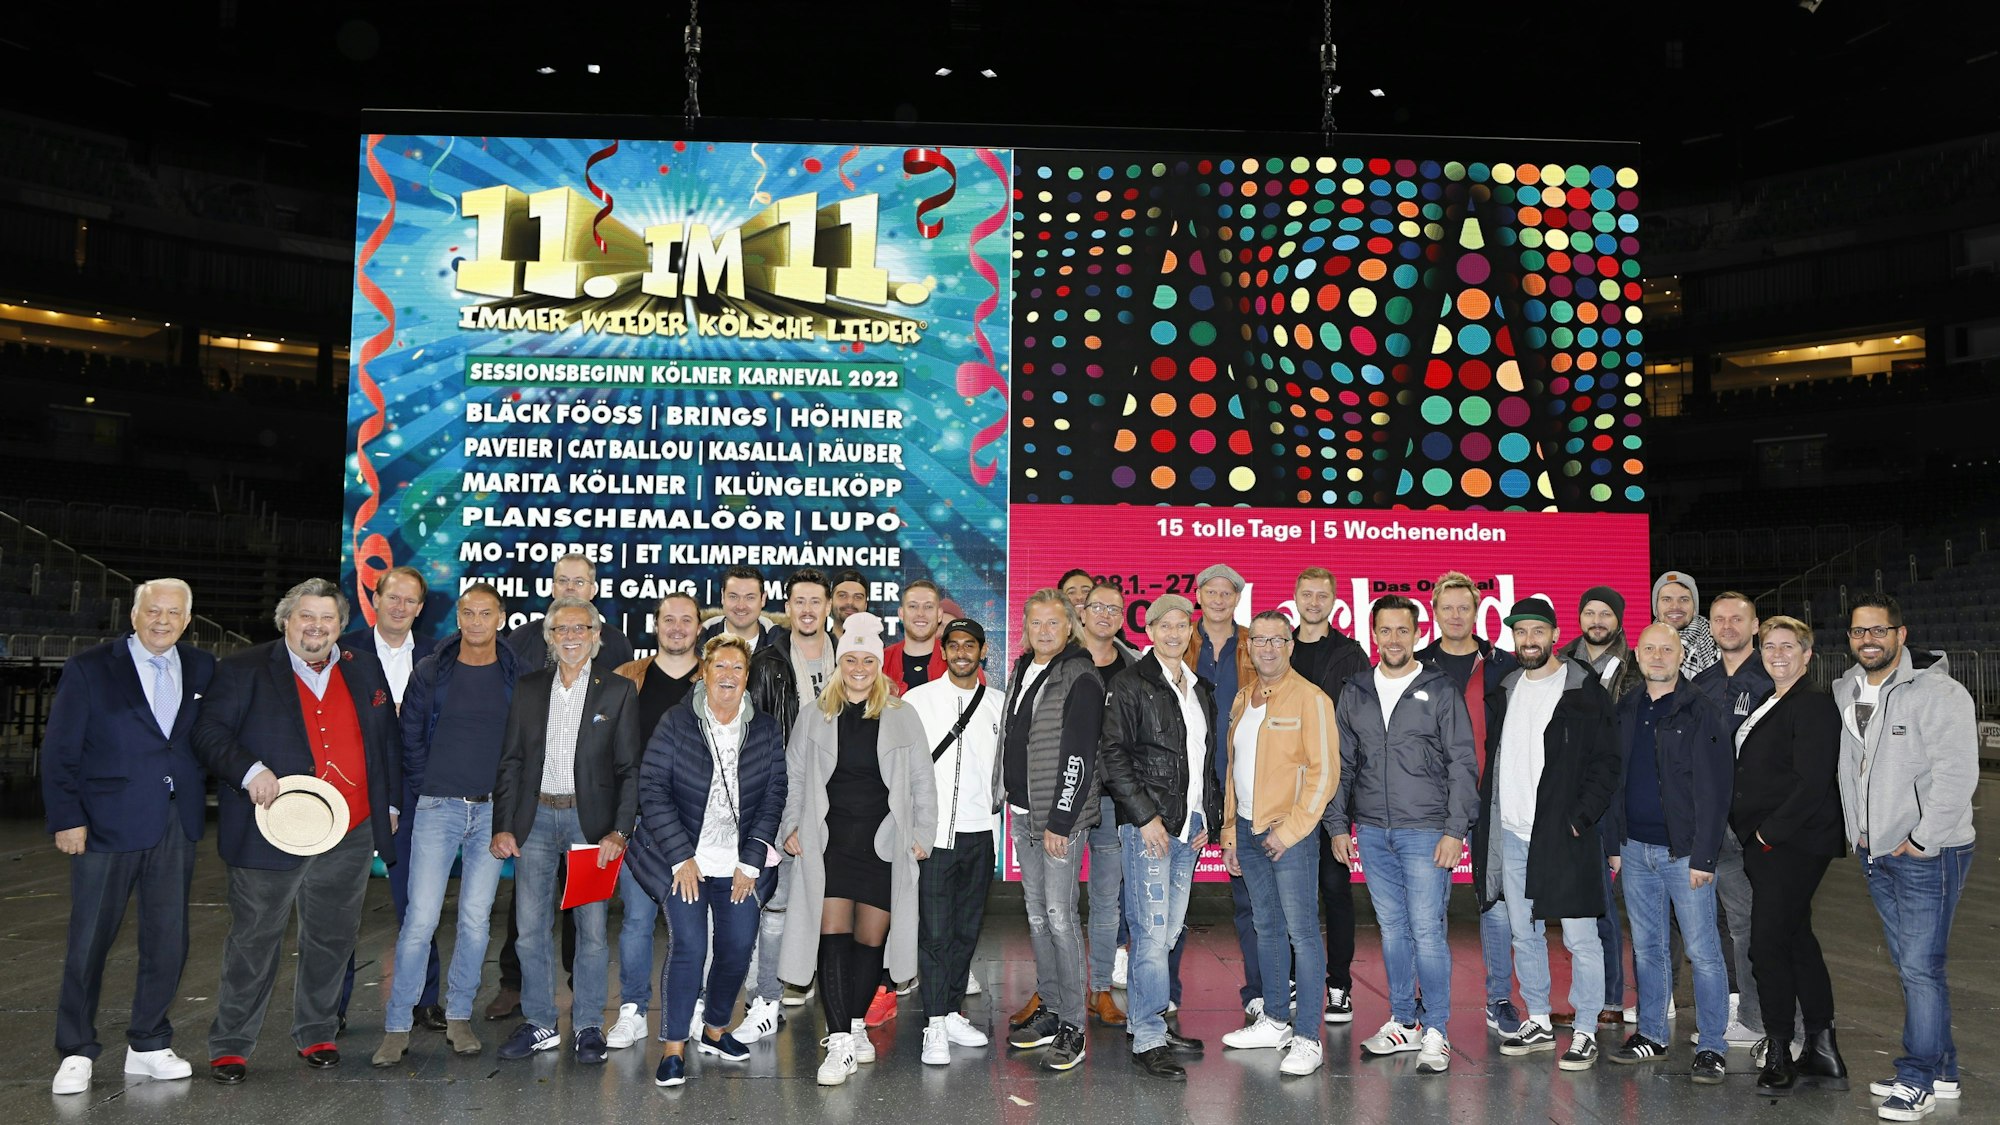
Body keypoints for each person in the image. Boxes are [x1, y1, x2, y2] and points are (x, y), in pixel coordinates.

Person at [194, 578, 402, 1083]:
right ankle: (231, 1045)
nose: (317, 627)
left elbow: (385, 739)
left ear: (341, 624)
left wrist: (388, 803)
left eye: (327, 618)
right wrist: (249, 771)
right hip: (272, 829)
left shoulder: (362, 667)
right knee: (254, 940)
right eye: (306, 616)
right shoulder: (242, 668)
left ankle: (317, 1032)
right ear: (287, 619)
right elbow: (207, 733)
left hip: (348, 830)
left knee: (332, 938)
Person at [44, 579, 213, 1095]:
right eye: (153, 610)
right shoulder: (91, 667)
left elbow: (208, 738)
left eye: (174, 613)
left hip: (174, 822)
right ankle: (75, 1050)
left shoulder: (204, 667)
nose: (163, 620)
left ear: (188, 619)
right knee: (89, 941)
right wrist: (66, 818)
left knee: (168, 940)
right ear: (135, 614)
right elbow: (59, 749)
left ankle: (149, 1043)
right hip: (102, 825)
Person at [774, 612, 938, 1086]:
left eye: (868, 659)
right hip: (829, 842)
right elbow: (796, 780)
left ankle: (856, 1024)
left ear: (878, 664)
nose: (860, 667)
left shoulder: (902, 716)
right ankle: (841, 1040)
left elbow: (923, 783)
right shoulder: (814, 715)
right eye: (851, 659)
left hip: (883, 845)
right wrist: (791, 825)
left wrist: (921, 835)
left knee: (871, 942)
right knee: (832, 938)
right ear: (840, 662)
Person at [1834, 596, 1978, 1122]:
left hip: (1927, 853)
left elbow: (1958, 776)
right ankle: (1943, 1071)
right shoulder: (1847, 690)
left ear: (1901, 633)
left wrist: (1921, 839)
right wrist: (1861, 835)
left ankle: (1916, 1076)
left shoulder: (1940, 692)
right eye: (1857, 632)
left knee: (1920, 968)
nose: (1868, 639)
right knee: (1914, 967)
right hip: (1875, 851)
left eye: (1879, 630)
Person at [623, 634, 786, 1088]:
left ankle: (715, 1030)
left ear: (747, 677)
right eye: (720, 668)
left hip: (739, 866)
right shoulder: (676, 722)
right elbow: (652, 789)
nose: (728, 676)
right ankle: (674, 1046)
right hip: (685, 863)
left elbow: (774, 796)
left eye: (737, 668)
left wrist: (751, 862)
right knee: (690, 947)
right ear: (705, 673)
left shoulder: (767, 729)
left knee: (736, 948)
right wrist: (680, 857)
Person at [371, 584, 520, 1067]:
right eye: (467, 613)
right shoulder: (432, 671)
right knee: (420, 920)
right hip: (438, 807)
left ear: (501, 617)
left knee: (477, 921)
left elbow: (522, 747)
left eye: (486, 613)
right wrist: (424, 785)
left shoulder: (516, 673)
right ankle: (397, 1025)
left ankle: (458, 1016)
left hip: (492, 813)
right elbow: (409, 735)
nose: (475, 621)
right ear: (458, 617)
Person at [490, 598, 641, 1064]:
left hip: (589, 826)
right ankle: (539, 1023)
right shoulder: (530, 687)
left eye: (581, 628)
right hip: (534, 822)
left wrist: (619, 830)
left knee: (591, 930)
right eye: (561, 630)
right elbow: (512, 760)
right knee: (529, 930)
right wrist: (504, 825)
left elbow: (630, 769)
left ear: (597, 636)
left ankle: (588, 1026)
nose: (571, 637)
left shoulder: (617, 691)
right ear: (550, 638)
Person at [1334, 594, 1477, 1074]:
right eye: (1385, 630)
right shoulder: (1355, 689)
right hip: (1372, 831)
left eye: (1402, 630)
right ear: (1372, 634)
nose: (1393, 639)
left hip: (1426, 831)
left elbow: (1462, 762)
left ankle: (1436, 1028)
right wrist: (1338, 824)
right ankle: (1403, 1021)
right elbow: (1342, 764)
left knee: (1427, 932)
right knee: (1392, 931)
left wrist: (1455, 829)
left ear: (1417, 634)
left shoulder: (1438, 688)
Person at [1476, 597, 1620, 1073]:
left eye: (1538, 631)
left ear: (1555, 635)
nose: (1530, 640)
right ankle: (1537, 1017)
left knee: (1581, 938)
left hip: (1565, 835)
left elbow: (1606, 763)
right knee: (1524, 933)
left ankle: (1584, 1030)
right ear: (1512, 639)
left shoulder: (1583, 688)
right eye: (1521, 633)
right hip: (1514, 835)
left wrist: (1581, 818)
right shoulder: (1506, 687)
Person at [1602, 623, 1732, 1084]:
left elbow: (1717, 790)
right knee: (1649, 949)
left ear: (1681, 655)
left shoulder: (1703, 710)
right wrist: (1615, 844)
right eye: (1650, 648)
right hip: (1634, 851)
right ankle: (1652, 1035)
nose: (1658, 656)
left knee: (1703, 951)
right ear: (1638, 655)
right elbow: (1615, 779)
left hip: (1684, 855)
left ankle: (1713, 1045)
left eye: (1667, 648)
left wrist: (1704, 856)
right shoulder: (1627, 708)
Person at [1098, 594, 1217, 1080]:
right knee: (1150, 935)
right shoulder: (1131, 684)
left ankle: (1152, 1023)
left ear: (1192, 631)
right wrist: (1145, 817)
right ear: (1149, 630)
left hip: (1188, 829)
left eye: (1182, 625)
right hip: (1150, 829)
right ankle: (1147, 1034)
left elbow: (1204, 758)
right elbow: (1112, 755)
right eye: (1164, 625)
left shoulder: (1198, 687)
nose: (1174, 633)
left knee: (1166, 933)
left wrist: (1206, 812)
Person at [1732, 616, 1848, 1097]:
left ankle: (1779, 1047)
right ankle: (1823, 1047)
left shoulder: (1814, 706)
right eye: (1769, 646)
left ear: (1807, 654)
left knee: (1767, 944)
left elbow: (1811, 782)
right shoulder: (1769, 701)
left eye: (1787, 646)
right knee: (1796, 938)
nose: (1777, 653)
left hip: (1791, 844)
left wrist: (1765, 836)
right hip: (1773, 844)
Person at [1219, 611, 1337, 1075]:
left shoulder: (1312, 699)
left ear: (1290, 645)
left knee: (1302, 934)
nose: (1266, 648)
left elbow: (1325, 774)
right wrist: (1230, 831)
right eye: (1259, 640)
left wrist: (1289, 832)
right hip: (1247, 832)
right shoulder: (1244, 699)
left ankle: (1307, 1036)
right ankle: (1274, 1019)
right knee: (1266, 929)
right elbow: (1233, 772)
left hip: (1290, 837)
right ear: (1249, 648)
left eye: (1276, 640)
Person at [1413, 571, 1522, 1036]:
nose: (1456, 615)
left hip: (1492, 798)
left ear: (1477, 611)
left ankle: (1499, 998)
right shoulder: (1415, 665)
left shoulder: (1504, 665)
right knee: (1426, 907)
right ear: (1434, 611)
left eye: (1464, 607)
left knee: (1493, 901)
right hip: (1431, 803)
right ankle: (1426, 999)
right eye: (1447, 607)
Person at [1002, 589, 1106, 1072]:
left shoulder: (1080, 675)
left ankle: (1073, 1028)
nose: (1044, 632)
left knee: (1061, 918)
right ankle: (1051, 1008)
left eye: (1053, 623)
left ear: (1069, 626)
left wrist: (1061, 821)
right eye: (1035, 623)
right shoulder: (1024, 668)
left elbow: (1080, 754)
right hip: (1023, 815)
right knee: (1039, 916)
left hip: (1057, 820)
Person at [337, 565, 439, 1033]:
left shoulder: (439, 656)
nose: (400, 607)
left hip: (418, 793)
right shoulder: (342, 650)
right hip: (353, 790)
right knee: (336, 905)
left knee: (420, 901)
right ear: (374, 599)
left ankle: (425, 1000)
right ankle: (328, 1011)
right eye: (392, 597)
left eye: (410, 601)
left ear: (420, 608)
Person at [607, 592, 704, 1049]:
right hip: (640, 819)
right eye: (670, 619)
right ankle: (633, 1009)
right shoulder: (628, 677)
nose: (678, 627)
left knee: (696, 923)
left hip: (701, 823)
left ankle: (698, 1006)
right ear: (656, 625)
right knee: (637, 920)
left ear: (698, 628)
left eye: (687, 620)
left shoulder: (716, 676)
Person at [905, 618, 1005, 1065]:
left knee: (966, 930)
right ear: (943, 652)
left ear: (983, 651)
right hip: (933, 837)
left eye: (971, 645)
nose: (962, 652)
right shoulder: (916, 701)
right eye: (954, 646)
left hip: (980, 833)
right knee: (935, 932)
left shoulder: (999, 705)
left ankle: (949, 1012)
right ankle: (932, 1025)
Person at [743, 568, 834, 1032]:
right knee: (777, 902)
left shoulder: (850, 660)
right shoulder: (767, 663)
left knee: (833, 903)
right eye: (799, 601)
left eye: (815, 601)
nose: (807, 610)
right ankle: (767, 996)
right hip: (785, 798)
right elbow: (754, 740)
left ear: (828, 606)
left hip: (840, 804)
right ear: (788, 606)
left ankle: (831, 996)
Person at [1692, 591, 1778, 1050]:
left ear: (1755, 625)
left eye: (1737, 619)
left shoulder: (1771, 679)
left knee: (1751, 924)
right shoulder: (1700, 683)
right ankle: (1731, 1009)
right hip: (1709, 825)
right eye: (1719, 619)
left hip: (1752, 829)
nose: (1727, 626)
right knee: (1714, 925)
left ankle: (1761, 1018)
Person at [1554, 583, 1639, 1027]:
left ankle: (1610, 999)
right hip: (1573, 797)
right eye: (1590, 613)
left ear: (1619, 620)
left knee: (1607, 906)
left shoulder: (1638, 668)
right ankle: (1589, 997)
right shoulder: (1561, 664)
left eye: (1606, 614)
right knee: (1581, 906)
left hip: (1618, 794)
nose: (1597, 621)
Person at [1288, 566, 1368, 1025]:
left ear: (1334, 601)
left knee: (1335, 891)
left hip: (1333, 789)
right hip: (1285, 792)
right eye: (1307, 593)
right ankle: (1297, 978)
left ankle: (1338, 984)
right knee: (1291, 893)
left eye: (1322, 595)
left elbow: (1357, 723)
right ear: (1295, 597)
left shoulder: (1351, 654)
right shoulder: (1278, 645)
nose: (1314, 601)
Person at [1186, 563, 1262, 1019]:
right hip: (1189, 785)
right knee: (1173, 901)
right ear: (1198, 595)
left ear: (1237, 598)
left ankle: (1260, 992)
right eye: (1211, 591)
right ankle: (1164, 996)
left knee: (1251, 900)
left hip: (1243, 780)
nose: (1219, 599)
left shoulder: (1255, 641)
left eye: (1227, 592)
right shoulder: (1178, 637)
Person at [1077, 582, 1134, 1027]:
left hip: (1113, 799)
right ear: (1083, 611)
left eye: (1114, 608)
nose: (1106, 614)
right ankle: (1052, 991)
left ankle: (1099, 990)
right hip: (1064, 796)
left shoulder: (1134, 666)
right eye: (1098, 606)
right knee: (1052, 904)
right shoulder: (1062, 659)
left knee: (1106, 899)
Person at [508, 551, 636, 671]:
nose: (570, 588)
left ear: (593, 591)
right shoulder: (522, 638)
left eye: (579, 582)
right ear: (553, 589)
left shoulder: (617, 643)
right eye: (562, 581)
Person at [883, 579, 947, 692]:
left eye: (928, 607)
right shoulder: (881, 661)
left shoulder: (956, 661)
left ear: (939, 615)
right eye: (913, 606)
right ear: (901, 614)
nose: (920, 613)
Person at [1652, 570, 1718, 680]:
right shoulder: (1644, 648)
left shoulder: (1719, 644)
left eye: (1684, 599)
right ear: (1656, 608)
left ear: (1694, 608)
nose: (1675, 606)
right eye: (1667, 599)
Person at [701, 566, 774, 650]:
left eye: (750, 597)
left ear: (763, 599)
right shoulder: (698, 641)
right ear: (722, 596)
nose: (741, 606)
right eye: (733, 597)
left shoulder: (783, 644)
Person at [829, 568, 869, 634]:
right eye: (842, 595)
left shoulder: (877, 644)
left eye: (858, 597)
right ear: (830, 602)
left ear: (865, 605)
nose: (850, 602)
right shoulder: (817, 644)